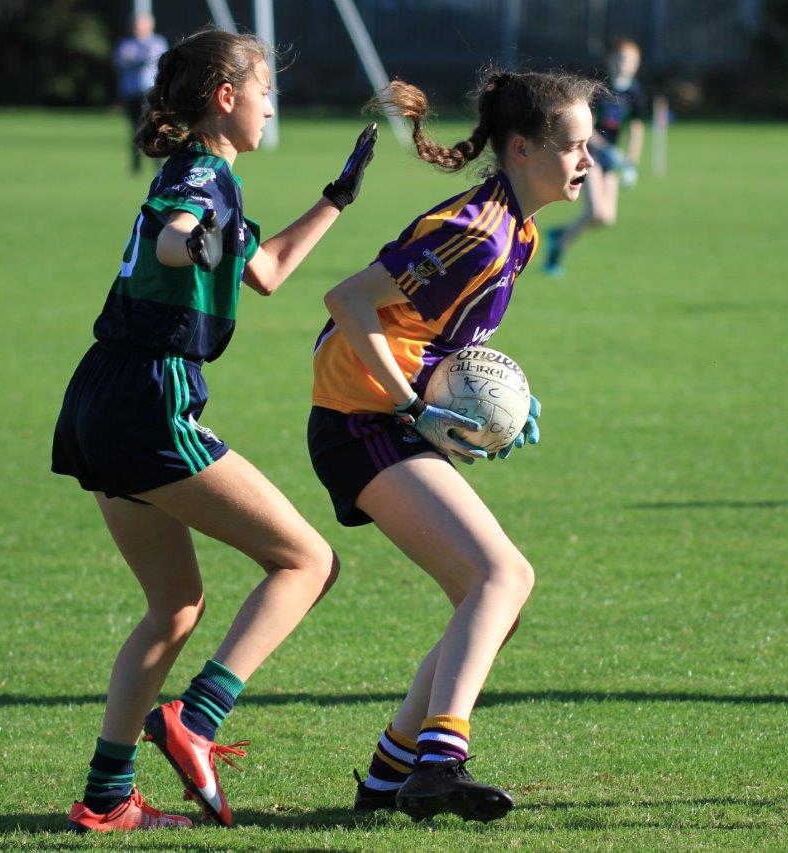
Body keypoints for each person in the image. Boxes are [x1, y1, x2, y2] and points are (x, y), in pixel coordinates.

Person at [53, 28, 377, 832]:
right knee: (308, 559)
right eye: (266, 91)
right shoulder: (200, 170)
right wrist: (190, 240)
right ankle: (194, 719)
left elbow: (263, 272)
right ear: (226, 99)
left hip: (102, 392)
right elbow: (176, 232)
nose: (274, 106)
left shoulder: (217, 178)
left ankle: (107, 797)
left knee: (174, 605)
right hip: (147, 394)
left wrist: (336, 200)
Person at [307, 69, 601, 822]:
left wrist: (497, 394)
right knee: (499, 578)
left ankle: (391, 772)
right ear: (522, 147)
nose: (587, 161)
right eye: (573, 146)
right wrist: (412, 402)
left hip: (387, 416)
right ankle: (440, 762)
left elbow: (431, 330)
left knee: (495, 591)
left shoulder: (518, 228)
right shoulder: (474, 230)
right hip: (359, 418)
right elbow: (346, 302)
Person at [543, 38, 646, 276]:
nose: (625, 65)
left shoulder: (635, 93)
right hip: (592, 154)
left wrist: (631, 164)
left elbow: (636, 130)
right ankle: (557, 247)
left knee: (606, 217)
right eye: (621, 60)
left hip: (612, 158)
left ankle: (560, 236)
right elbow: (587, 128)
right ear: (612, 61)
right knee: (596, 211)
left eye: (631, 62)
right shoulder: (600, 89)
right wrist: (608, 149)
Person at [114, 14, 168, 174]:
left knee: (155, 126)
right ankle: (136, 165)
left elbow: (157, 59)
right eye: (135, 26)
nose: (138, 30)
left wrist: (137, 59)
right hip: (131, 93)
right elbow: (120, 61)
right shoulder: (126, 43)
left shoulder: (157, 42)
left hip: (150, 92)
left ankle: (158, 162)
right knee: (134, 129)